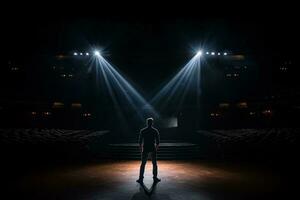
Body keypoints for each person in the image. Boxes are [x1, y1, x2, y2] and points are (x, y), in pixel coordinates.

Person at [136, 118, 161, 183]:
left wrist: (141, 150)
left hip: (146, 148)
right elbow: (158, 142)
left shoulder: (143, 130)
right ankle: (155, 177)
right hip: (152, 148)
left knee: (143, 164)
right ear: (152, 123)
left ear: (147, 123)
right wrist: (156, 149)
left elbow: (140, 142)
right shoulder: (155, 130)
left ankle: (141, 178)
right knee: (154, 164)